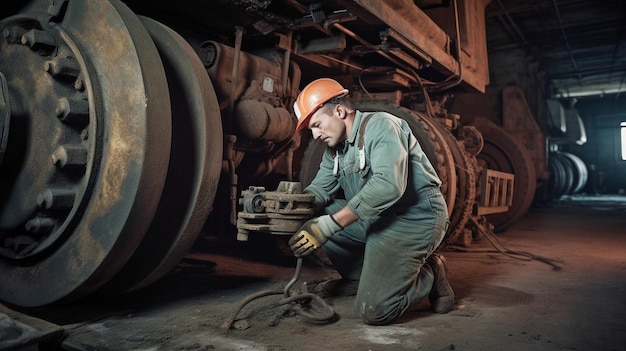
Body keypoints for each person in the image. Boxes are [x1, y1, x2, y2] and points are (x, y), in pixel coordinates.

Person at [289, 78, 453, 325]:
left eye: (318, 125)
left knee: (375, 310)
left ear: (340, 111)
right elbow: (319, 192)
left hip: (415, 220)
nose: (315, 134)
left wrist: (331, 224)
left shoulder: (381, 126)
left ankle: (431, 272)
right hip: (375, 219)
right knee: (318, 215)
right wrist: (289, 207)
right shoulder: (334, 150)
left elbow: (389, 186)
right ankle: (359, 279)